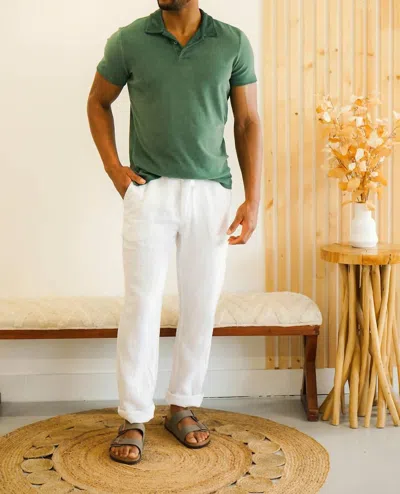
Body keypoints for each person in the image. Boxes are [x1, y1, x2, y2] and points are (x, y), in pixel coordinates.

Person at [87, 0, 262, 465]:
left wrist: (253, 199)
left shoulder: (232, 42)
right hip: (150, 191)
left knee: (201, 302)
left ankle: (183, 404)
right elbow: (98, 101)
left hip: (211, 194)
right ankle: (134, 414)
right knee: (141, 303)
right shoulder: (129, 40)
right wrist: (113, 169)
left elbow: (247, 122)